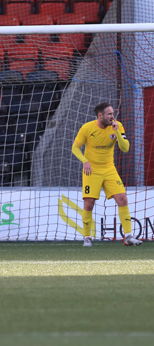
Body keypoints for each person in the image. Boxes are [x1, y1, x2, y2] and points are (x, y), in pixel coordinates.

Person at [71, 102, 142, 247]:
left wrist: (117, 132)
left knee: (122, 199)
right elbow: (75, 148)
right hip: (92, 170)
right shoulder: (87, 128)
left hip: (109, 169)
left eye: (113, 113)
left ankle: (128, 236)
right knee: (89, 203)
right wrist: (85, 161)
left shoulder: (117, 126)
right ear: (100, 116)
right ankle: (87, 237)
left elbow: (125, 148)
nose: (112, 116)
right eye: (109, 114)